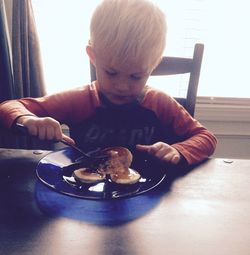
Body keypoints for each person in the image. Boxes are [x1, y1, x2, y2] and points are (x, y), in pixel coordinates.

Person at [0, 0, 216, 166]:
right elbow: (8, 107)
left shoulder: (159, 103)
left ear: (154, 65)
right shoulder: (79, 100)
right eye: (111, 73)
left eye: (136, 76)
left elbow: (206, 138)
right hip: (88, 198)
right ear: (93, 56)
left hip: (150, 204)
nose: (122, 86)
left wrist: (178, 150)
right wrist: (28, 119)